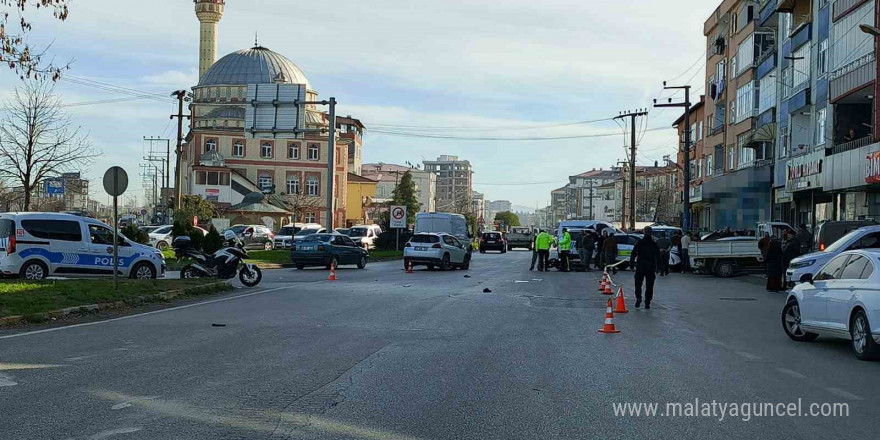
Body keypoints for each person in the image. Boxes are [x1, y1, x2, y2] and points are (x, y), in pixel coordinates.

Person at [630, 226, 662, 309]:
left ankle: (638, 297)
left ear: (644, 232)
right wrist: (659, 267)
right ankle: (647, 302)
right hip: (651, 267)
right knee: (649, 286)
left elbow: (633, 253)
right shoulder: (654, 244)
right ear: (651, 233)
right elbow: (658, 256)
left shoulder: (639, 242)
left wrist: (632, 264)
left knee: (638, 284)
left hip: (640, 266)